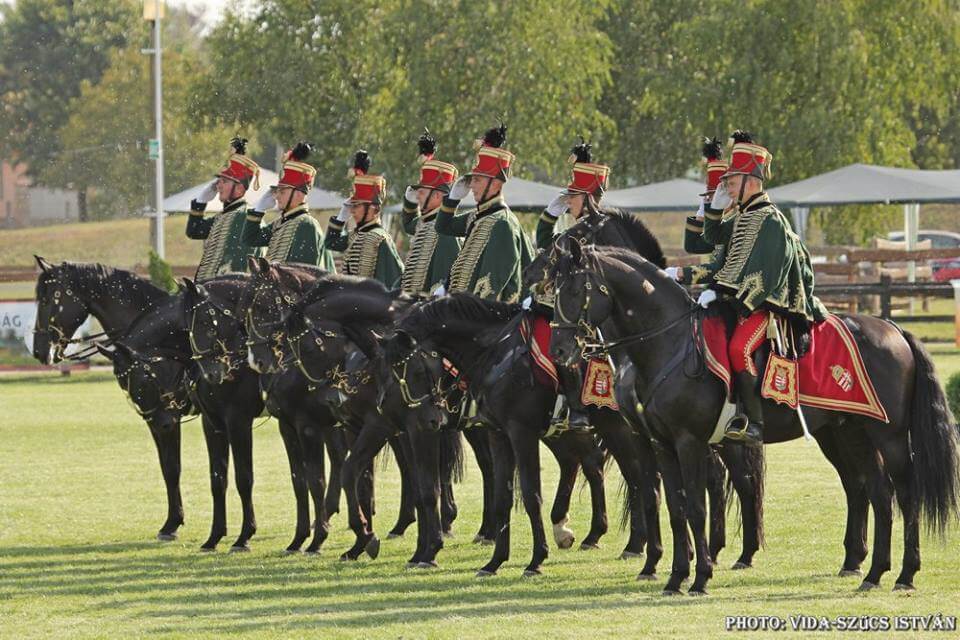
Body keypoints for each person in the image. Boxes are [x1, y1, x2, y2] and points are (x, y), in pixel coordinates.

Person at [667, 132, 827, 445]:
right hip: (740, 300)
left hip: (766, 305)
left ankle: (754, 422)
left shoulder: (770, 219)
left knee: (739, 349)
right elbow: (703, 241)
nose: (727, 186)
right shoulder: (744, 217)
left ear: (751, 181)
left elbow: (761, 276)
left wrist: (723, 292)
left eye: (732, 181)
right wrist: (709, 211)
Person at [436, 122, 533, 302]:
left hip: (489, 319)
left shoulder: (502, 223)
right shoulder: (478, 216)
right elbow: (443, 226)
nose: (471, 185)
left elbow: (489, 287)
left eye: (478, 180)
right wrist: (452, 199)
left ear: (496, 183)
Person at [241, 142, 336, 270]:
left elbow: (302, 275)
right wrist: (259, 209)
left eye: (283, 191)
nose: (277, 196)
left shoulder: (306, 225)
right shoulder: (281, 223)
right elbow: (249, 239)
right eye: (277, 191)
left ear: (299, 194)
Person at [185, 136, 263, 281]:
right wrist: (201, 201)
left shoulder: (243, 217)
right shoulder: (226, 215)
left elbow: (238, 267)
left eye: (225, 181)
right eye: (219, 180)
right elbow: (194, 231)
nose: (218, 185)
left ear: (239, 189)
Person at [325, 150, 404, 287]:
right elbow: (331, 243)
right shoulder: (356, 235)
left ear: (374, 208)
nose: (352, 210)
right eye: (351, 206)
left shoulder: (380, 239)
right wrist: (341, 218)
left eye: (357, 205)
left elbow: (393, 282)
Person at [399, 129, 462, 296]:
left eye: (422, 191)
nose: (417, 194)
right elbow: (408, 225)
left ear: (437, 195)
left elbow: (443, 282)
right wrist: (409, 201)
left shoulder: (446, 232)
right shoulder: (425, 223)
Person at [535, 137, 611, 251]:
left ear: (588, 199)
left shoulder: (607, 234)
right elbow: (547, 248)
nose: (567, 201)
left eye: (573, 195)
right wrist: (549, 216)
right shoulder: (580, 233)